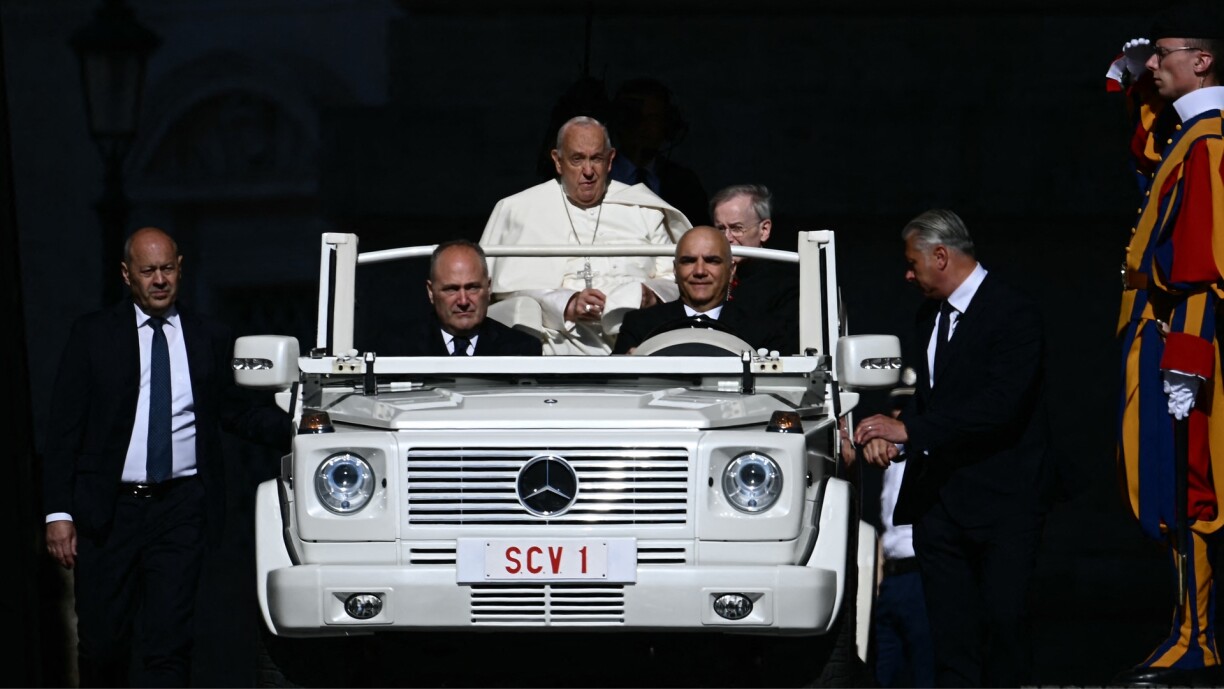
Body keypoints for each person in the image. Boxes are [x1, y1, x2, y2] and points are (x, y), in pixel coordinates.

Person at [41, 227, 290, 687]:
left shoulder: (209, 336)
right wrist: (59, 513)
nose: (159, 280)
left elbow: (235, 413)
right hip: (108, 511)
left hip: (180, 508)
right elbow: (63, 430)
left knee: (169, 644)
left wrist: (302, 427)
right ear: (126, 275)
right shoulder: (94, 335)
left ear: (181, 269)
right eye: (148, 271)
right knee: (103, 642)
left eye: (167, 269)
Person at [854, 209, 1049, 687]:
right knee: (949, 644)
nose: (906, 273)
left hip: (1002, 504)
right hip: (939, 507)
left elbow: (1000, 406)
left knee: (1002, 632)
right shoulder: (928, 318)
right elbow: (932, 403)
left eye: (911, 262)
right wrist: (897, 441)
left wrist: (910, 432)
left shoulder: (1012, 311)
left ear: (940, 256)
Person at [1105, 5, 1224, 685]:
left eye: (1165, 54)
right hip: (1171, 332)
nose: (1154, 64)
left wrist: (1186, 356)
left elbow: (1205, 262)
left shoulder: (1210, 141)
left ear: (1202, 59)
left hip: (1187, 339)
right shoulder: (1193, 135)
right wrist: (1137, 85)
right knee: (1175, 487)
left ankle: (1198, 638)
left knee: (1193, 489)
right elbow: (1150, 158)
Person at [480, 115, 692, 355]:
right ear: (558, 161)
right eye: (577, 159)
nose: (588, 171)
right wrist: (566, 304)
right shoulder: (518, 210)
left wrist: (651, 295)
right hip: (551, 348)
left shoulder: (643, 208)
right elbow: (502, 294)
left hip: (636, 345)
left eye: (596, 159)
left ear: (611, 160)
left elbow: (676, 280)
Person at [841, 370, 935, 688]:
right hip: (891, 579)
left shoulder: (929, 450)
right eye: (896, 409)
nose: (899, 416)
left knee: (926, 671)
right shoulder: (887, 457)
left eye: (908, 409)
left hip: (923, 573)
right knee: (883, 673)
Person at [612, 226, 781, 354]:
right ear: (675, 271)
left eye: (711, 261)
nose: (700, 271)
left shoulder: (763, 330)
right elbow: (613, 388)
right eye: (689, 261)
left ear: (731, 271)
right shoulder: (639, 325)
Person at [390, 239, 542, 356]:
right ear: (431, 292)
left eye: (473, 288)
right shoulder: (397, 349)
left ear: (488, 288)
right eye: (451, 289)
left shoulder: (522, 350)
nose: (463, 301)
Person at [710, 184, 800, 353]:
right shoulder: (703, 277)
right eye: (720, 229)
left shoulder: (788, 284)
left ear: (764, 230)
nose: (726, 238)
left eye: (736, 228)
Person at [608, 78, 710, 225]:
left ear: (667, 125)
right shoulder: (597, 176)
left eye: (653, 118)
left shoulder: (684, 183)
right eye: (634, 118)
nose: (643, 127)